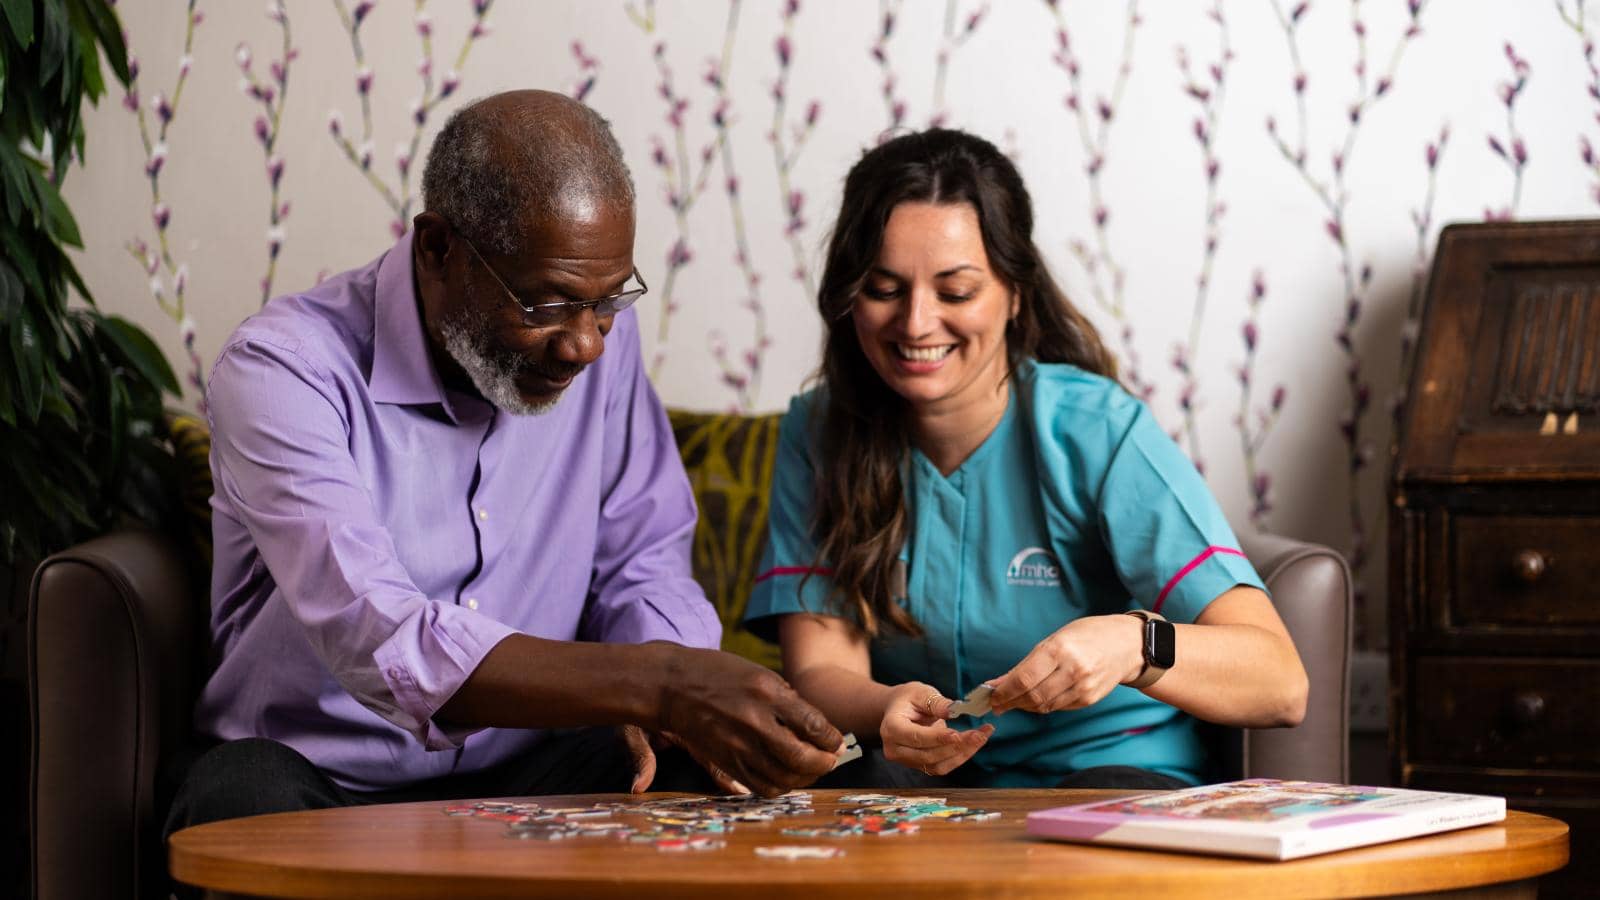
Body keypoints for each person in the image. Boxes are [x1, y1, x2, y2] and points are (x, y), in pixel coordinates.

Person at [165, 91, 842, 837]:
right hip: (321, 775)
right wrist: (665, 684)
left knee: (702, 780)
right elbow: (382, 633)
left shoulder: (597, 338)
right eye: (545, 304)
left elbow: (641, 559)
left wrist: (676, 700)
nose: (585, 344)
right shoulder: (283, 369)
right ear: (437, 248)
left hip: (535, 767)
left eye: (607, 301)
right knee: (238, 804)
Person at [744, 128, 1307, 790]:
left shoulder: (1099, 431)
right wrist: (884, 710)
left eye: (955, 291)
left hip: (1111, 774)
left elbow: (1280, 682)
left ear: (1015, 293)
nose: (917, 323)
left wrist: (1132, 645)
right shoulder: (819, 430)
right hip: (924, 791)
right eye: (884, 288)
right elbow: (819, 670)